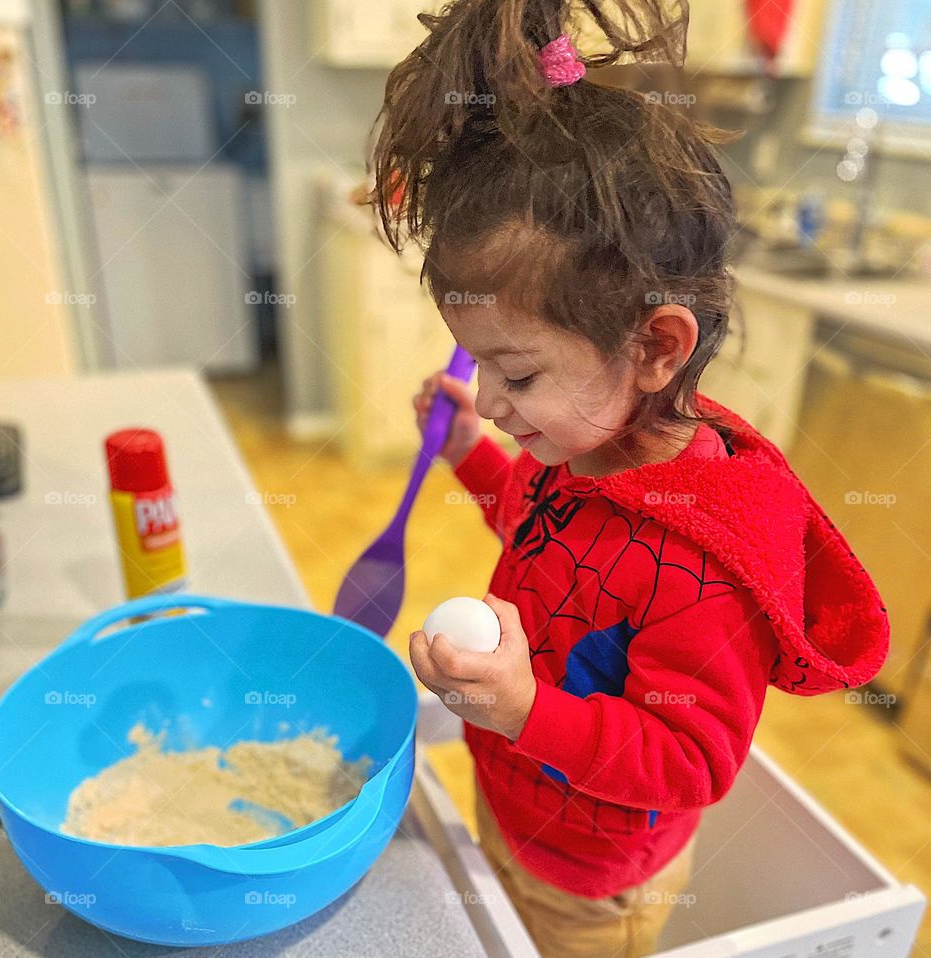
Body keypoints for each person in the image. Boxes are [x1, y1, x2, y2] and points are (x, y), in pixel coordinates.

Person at [368, 2, 890, 955]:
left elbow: (691, 761)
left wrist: (524, 710)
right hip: (517, 807)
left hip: (593, 885)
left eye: (516, 374)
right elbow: (542, 535)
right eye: (476, 364)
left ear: (654, 347)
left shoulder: (704, 559)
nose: (488, 398)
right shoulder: (586, 446)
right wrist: (464, 457)